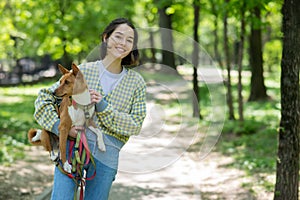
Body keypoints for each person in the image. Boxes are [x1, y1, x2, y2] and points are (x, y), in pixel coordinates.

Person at [33, 18, 147, 200]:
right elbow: (44, 98)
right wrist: (59, 127)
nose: (123, 43)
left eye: (129, 40)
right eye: (118, 36)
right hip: (71, 150)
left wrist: (103, 107)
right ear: (105, 38)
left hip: (106, 157)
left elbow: (135, 125)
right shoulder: (82, 71)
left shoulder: (136, 83)